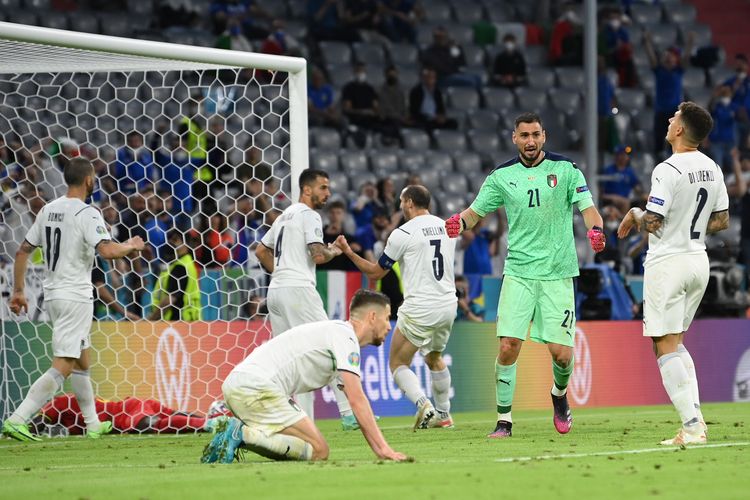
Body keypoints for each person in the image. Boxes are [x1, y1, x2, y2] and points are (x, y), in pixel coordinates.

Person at [444, 112, 606, 438]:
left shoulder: (566, 170)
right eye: (524, 135)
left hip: (557, 273)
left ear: (544, 136)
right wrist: (457, 223)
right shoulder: (501, 176)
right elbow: (475, 213)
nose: (530, 141)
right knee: (508, 346)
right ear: (514, 138)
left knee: (561, 354)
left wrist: (596, 230)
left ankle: (559, 396)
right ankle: (504, 421)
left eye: (535, 134)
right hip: (518, 271)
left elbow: (589, 209)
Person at [2, 157, 145, 442]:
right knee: (65, 363)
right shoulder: (87, 213)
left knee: (82, 361)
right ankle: (17, 419)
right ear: (89, 180)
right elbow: (106, 251)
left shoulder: (48, 209)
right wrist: (131, 245)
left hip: (54, 294)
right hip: (75, 295)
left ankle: (92, 424)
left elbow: (21, 251)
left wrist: (18, 291)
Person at [617, 101, 729, 446]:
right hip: (698, 260)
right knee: (675, 342)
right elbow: (722, 220)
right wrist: (687, 231)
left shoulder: (667, 169)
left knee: (663, 344)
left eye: (674, 118)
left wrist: (634, 212)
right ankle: (696, 420)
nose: (668, 120)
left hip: (668, 263)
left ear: (680, 129)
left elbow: (653, 222)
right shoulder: (713, 167)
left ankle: (692, 426)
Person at [201, 289, 409, 463]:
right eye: (387, 317)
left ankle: (241, 433)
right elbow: (357, 399)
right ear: (372, 317)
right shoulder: (345, 336)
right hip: (256, 387)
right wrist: (383, 450)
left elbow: (352, 400)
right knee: (319, 450)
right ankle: (243, 434)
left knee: (303, 445)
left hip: (240, 384)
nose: (390, 326)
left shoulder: (335, 334)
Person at [334, 185, 457, 429]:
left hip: (420, 306)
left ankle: (426, 406)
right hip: (448, 305)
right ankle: (444, 415)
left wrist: (348, 251)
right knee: (434, 358)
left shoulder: (402, 233)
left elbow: (376, 271)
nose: (400, 206)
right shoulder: (447, 227)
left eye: (401, 201)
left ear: (409, 202)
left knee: (397, 363)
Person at [254, 169, 357, 430]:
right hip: (298, 290)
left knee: (285, 360)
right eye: (323, 187)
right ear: (307, 190)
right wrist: (334, 250)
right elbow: (318, 255)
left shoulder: (284, 217)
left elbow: (260, 251)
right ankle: (349, 413)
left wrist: (281, 274)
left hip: (276, 292)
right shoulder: (310, 216)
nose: (328, 193)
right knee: (335, 345)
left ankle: (268, 413)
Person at [35, 394, 227, 435]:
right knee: (174, 415)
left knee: (147, 425)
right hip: (135, 404)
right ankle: (214, 417)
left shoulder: (58, 402)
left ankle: (208, 424)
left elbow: (36, 424)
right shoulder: (67, 407)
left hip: (127, 412)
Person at [644, 30, 695, 156]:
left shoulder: (678, 71)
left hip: (674, 112)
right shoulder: (659, 71)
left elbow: (686, 58)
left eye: (671, 56)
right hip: (660, 110)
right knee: (659, 141)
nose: (668, 58)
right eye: (667, 56)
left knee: (675, 140)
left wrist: (690, 43)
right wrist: (647, 42)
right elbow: (651, 58)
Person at [148, 229, 202, 321]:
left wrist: (150, 320)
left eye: (175, 240)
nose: (171, 243)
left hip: (176, 322)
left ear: (186, 244)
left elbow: (170, 300)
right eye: (170, 240)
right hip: (187, 321)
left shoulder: (180, 267)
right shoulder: (185, 263)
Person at [600, 145, 643, 215]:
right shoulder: (608, 170)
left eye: (626, 155)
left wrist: (642, 194)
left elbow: (636, 186)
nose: (625, 157)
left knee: (645, 200)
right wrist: (612, 197)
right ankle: (623, 223)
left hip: (626, 199)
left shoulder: (629, 171)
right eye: (622, 155)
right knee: (625, 202)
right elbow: (600, 192)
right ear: (616, 156)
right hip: (610, 199)